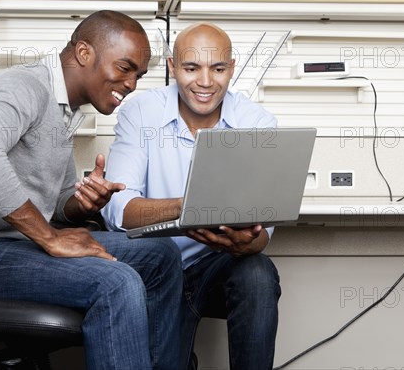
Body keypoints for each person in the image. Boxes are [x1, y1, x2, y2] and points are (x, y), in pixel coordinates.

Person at [0, 10, 182, 370]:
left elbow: (56, 206)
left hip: (15, 244)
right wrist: (51, 237)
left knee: (160, 254)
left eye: (139, 75)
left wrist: (81, 205)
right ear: (84, 53)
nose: (131, 84)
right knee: (116, 283)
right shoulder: (23, 87)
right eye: (126, 67)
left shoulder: (66, 110)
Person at [102, 22, 282, 370]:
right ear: (172, 67)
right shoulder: (141, 113)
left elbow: (264, 230)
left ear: (232, 68)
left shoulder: (257, 122)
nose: (204, 81)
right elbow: (118, 208)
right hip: (154, 271)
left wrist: (248, 242)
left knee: (258, 272)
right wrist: (189, 208)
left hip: (216, 266)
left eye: (217, 69)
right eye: (191, 68)